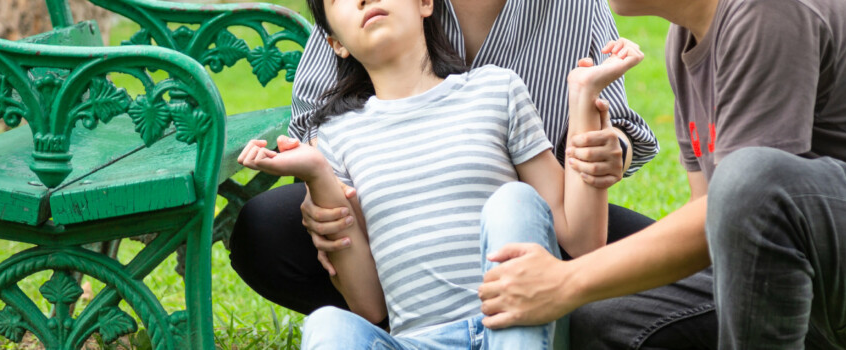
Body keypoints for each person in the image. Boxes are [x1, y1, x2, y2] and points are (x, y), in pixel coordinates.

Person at [477, 0, 846, 349]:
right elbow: (711, 226)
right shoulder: (683, 41)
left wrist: (565, 283)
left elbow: (740, 197)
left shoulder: (766, 9)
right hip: (817, 278)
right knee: (603, 319)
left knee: (748, 179)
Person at [230, 0, 722, 348]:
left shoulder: (497, 90)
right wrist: (321, 182)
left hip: (531, 237)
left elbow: (581, 230)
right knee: (327, 326)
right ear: (333, 41)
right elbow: (368, 307)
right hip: (412, 319)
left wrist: (592, 126)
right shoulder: (340, 135)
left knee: (514, 201)